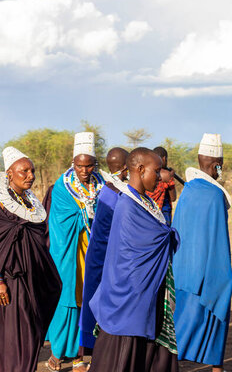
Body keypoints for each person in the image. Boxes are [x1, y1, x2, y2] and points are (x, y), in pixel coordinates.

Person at [89, 147, 179, 372]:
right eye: (156, 172)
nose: (159, 178)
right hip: (128, 294)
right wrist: (170, 234)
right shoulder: (128, 205)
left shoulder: (142, 201)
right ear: (140, 169)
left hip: (141, 292)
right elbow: (152, 240)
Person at [0, 146, 62, 371]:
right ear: (9, 174)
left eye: (32, 171)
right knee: (16, 338)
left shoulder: (31, 202)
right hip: (11, 282)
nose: (30, 176)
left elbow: (39, 242)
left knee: (32, 335)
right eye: (24, 171)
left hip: (34, 279)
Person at [172, 133, 232, 372]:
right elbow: (217, 239)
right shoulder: (215, 195)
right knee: (215, 316)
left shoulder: (189, 190)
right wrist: (223, 275)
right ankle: (216, 368)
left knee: (182, 321)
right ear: (218, 163)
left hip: (183, 269)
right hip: (208, 270)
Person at [47, 132, 104, 371]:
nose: (84, 170)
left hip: (93, 253)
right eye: (79, 165)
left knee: (89, 302)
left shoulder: (102, 184)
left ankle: (80, 356)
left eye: (88, 165)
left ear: (95, 164)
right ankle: (59, 353)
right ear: (73, 164)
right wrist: (86, 216)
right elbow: (59, 222)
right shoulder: (62, 187)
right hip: (69, 254)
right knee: (67, 300)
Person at [79, 147, 129, 350]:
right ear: (126, 168)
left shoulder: (106, 189)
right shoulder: (117, 194)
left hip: (99, 255)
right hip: (106, 258)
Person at [146, 147, 177, 225]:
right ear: (164, 158)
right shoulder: (167, 175)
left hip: (148, 210)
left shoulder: (147, 173)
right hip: (163, 211)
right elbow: (173, 198)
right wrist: (171, 176)